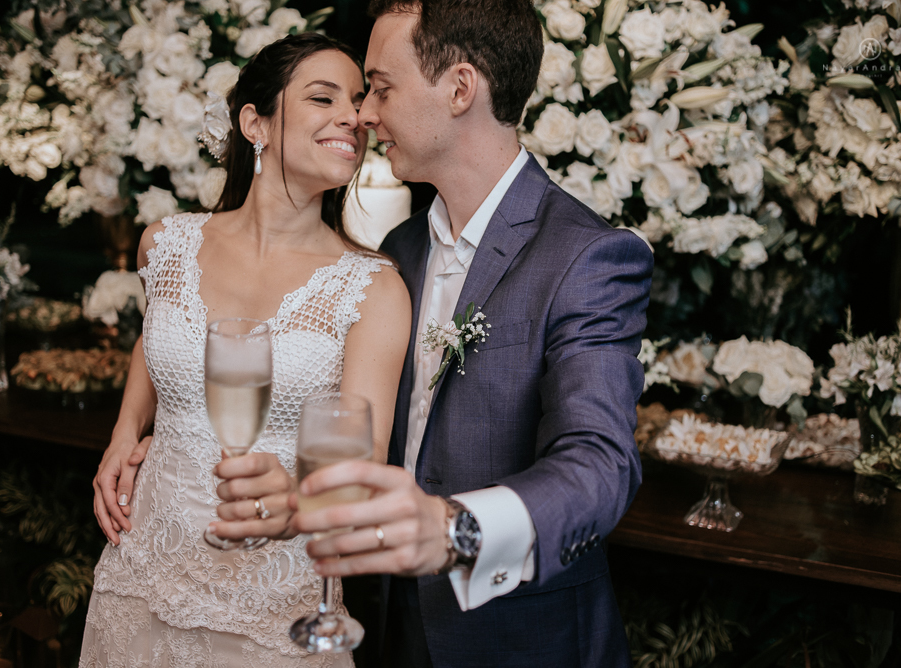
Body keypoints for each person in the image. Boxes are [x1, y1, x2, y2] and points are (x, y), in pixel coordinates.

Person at [278, 1, 653, 666]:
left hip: (516, 641)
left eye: (381, 88)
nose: (365, 115)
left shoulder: (586, 257)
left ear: (459, 89)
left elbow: (600, 465)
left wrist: (457, 530)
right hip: (383, 629)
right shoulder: (396, 252)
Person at [80, 33, 411, 668]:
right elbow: (159, 339)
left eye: (358, 101)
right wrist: (124, 432)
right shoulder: (165, 245)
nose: (354, 117)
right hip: (141, 574)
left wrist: (295, 501)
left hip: (275, 606)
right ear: (254, 123)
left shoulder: (372, 289)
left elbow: (364, 466)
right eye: (324, 98)